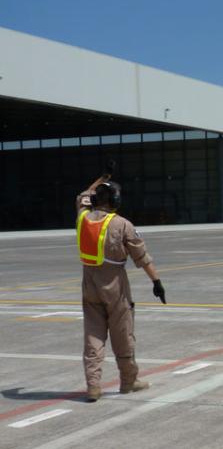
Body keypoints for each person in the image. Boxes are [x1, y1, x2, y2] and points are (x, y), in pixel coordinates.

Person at [76, 167, 166, 401]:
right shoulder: (122, 224)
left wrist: (102, 179)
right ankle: (128, 381)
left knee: (93, 335)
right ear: (116, 200)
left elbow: (84, 194)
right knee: (122, 333)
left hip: (89, 283)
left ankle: (93, 386)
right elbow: (142, 258)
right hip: (115, 284)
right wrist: (156, 282)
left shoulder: (83, 217)